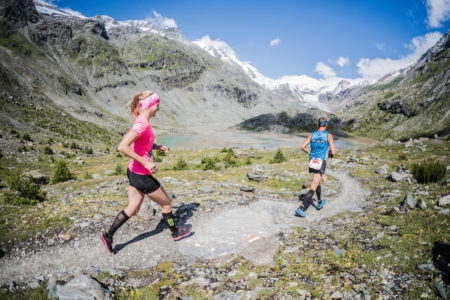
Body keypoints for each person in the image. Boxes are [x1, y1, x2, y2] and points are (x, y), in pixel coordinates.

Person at [101, 91, 192, 253]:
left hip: (133, 172)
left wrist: (156, 147)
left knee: (133, 208)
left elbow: (142, 143)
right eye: (157, 105)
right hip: (142, 174)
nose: (158, 108)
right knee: (167, 204)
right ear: (150, 105)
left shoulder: (142, 121)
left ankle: (108, 235)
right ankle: (175, 232)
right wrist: (146, 162)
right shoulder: (141, 124)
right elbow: (122, 146)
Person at [295, 117, 336, 217]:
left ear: (317, 125)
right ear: (326, 125)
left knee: (318, 182)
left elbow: (302, 147)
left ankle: (320, 201)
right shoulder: (328, 135)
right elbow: (333, 151)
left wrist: (309, 152)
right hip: (320, 161)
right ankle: (301, 208)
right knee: (314, 185)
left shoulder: (312, 134)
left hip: (312, 161)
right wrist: (331, 154)